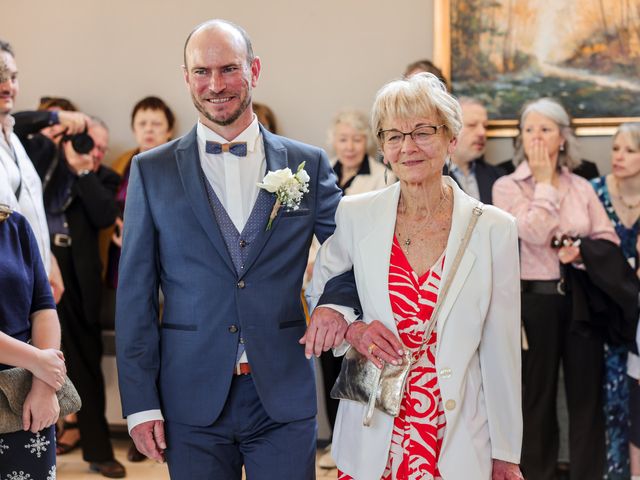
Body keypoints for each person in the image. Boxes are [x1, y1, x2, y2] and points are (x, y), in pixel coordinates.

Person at [115, 19, 359, 479]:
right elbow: (135, 297)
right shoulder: (151, 171)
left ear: (255, 70)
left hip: (282, 392)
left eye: (229, 69)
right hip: (189, 396)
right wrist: (141, 403)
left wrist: (336, 304)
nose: (216, 85)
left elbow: (352, 248)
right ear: (186, 77)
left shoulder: (307, 162)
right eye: (202, 72)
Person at [306, 72, 523, 480]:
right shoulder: (355, 213)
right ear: (383, 147)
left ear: (450, 139)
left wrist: (507, 450)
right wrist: (352, 330)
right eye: (393, 136)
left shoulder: (495, 228)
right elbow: (324, 291)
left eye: (423, 132)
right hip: (374, 428)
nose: (408, 147)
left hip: (456, 433)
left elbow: (502, 347)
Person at [492, 98, 620, 480]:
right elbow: (529, 231)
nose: (536, 137)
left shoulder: (581, 187)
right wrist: (545, 183)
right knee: (537, 399)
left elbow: (608, 240)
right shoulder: (506, 186)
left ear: (562, 138)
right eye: (529, 130)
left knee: (585, 399)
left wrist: (580, 251)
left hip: (580, 300)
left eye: (545, 129)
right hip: (533, 302)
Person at [100, 96, 175, 463]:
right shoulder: (120, 165)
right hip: (124, 270)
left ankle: (159, 422)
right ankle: (139, 419)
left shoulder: (175, 165)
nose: (148, 129)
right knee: (135, 344)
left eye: (156, 124)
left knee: (165, 350)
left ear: (169, 129)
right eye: (142, 123)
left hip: (168, 274)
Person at [316, 109, 392, 469]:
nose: (349, 146)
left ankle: (367, 442)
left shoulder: (381, 177)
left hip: (363, 284)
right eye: (343, 139)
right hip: (322, 280)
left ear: (367, 142)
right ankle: (335, 440)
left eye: (357, 139)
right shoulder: (322, 173)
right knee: (328, 365)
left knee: (358, 365)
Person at [0, 206, 66, 480]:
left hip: (24, 398)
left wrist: (43, 385)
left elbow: (43, 307)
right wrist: (38, 361)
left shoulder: (14, 225)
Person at [590, 122, 640, 479]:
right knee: (606, 403)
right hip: (603, 313)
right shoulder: (593, 192)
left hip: (639, 320)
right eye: (616, 149)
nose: (618, 157)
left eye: (630, 151)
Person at [0, 40, 64, 304]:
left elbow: (28, 210)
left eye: (13, 77)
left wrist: (48, 259)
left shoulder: (13, 139)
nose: (8, 86)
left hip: (31, 283)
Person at [447, 97, 505, 204]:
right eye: (472, 125)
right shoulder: (430, 176)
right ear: (451, 129)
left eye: (485, 126)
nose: (482, 133)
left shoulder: (498, 176)